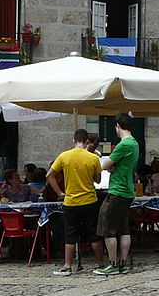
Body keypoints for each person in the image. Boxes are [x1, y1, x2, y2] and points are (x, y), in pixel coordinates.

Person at [47, 129, 105, 276]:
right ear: (86, 142)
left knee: (70, 234)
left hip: (71, 201)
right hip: (90, 200)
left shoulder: (64, 156)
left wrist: (60, 193)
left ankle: (67, 265)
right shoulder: (92, 158)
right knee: (94, 233)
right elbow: (98, 180)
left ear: (74, 140)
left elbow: (50, 175)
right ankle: (101, 263)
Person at [94, 113, 139, 275]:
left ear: (118, 126)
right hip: (128, 190)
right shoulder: (134, 143)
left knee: (107, 227)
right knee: (123, 228)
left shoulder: (123, 144)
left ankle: (112, 263)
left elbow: (106, 164)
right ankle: (123, 262)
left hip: (117, 190)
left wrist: (110, 165)